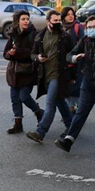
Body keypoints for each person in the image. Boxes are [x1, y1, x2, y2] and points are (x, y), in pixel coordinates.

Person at [54, 16, 95, 152]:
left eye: (94, 27)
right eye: (89, 27)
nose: (91, 30)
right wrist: (75, 57)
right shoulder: (85, 41)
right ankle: (69, 140)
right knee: (81, 111)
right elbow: (69, 54)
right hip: (88, 82)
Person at [25, 10, 75, 144]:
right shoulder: (40, 36)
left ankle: (40, 132)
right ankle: (71, 125)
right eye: (55, 21)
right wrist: (38, 58)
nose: (58, 23)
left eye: (59, 21)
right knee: (59, 101)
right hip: (44, 75)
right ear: (48, 22)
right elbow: (32, 54)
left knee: (50, 103)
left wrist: (73, 76)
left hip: (58, 75)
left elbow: (73, 56)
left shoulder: (65, 37)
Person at [4, 10, 43, 134]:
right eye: (23, 19)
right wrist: (10, 54)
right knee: (15, 98)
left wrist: (17, 52)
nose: (26, 21)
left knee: (24, 97)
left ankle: (39, 112)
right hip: (14, 72)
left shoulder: (33, 34)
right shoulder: (13, 34)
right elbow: (5, 53)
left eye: (27, 19)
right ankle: (18, 124)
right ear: (18, 21)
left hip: (28, 71)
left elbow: (32, 53)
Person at [61, 6, 85, 114]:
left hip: (76, 61)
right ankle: (70, 108)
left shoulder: (77, 27)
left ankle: (79, 110)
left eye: (72, 14)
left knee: (76, 87)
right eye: (68, 14)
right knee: (66, 88)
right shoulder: (62, 28)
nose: (70, 16)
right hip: (64, 62)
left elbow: (83, 42)